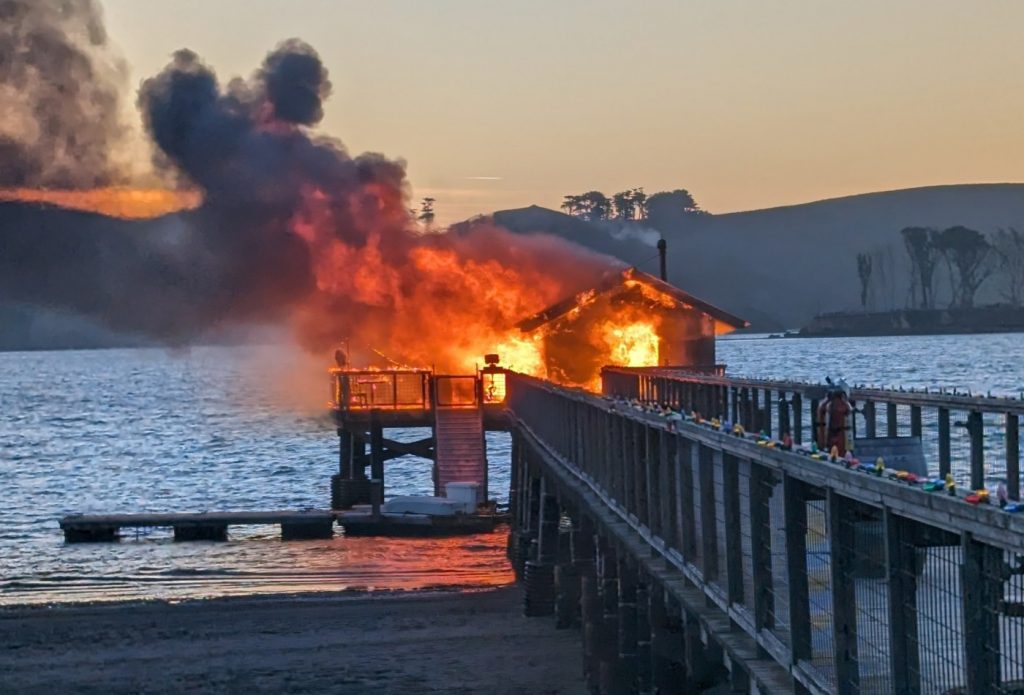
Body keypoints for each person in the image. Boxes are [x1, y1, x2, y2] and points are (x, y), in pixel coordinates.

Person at [816, 382, 853, 456]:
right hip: (840, 436)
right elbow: (848, 411)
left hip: (828, 437)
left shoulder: (824, 405)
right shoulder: (843, 405)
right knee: (841, 454)